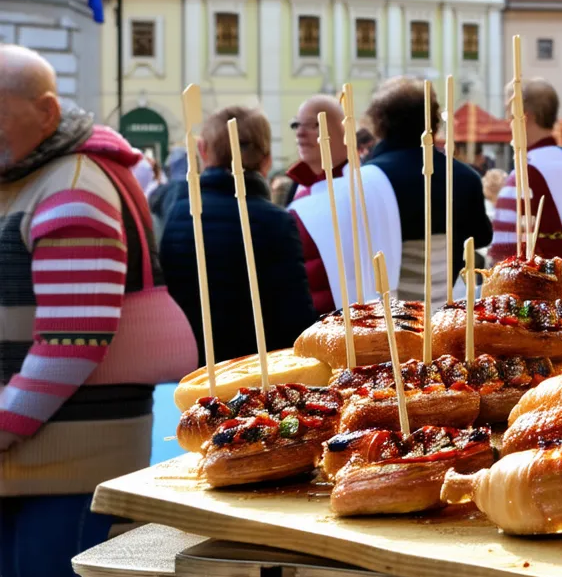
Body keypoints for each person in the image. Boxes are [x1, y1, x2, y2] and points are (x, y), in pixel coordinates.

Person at [0, 45, 195, 577]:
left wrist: (3, 426)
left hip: (66, 463)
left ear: (46, 112)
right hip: (34, 461)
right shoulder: (33, 175)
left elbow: (73, 341)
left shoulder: (71, 188)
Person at [160, 106, 316, 364]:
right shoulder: (277, 222)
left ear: (203, 151)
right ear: (266, 159)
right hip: (255, 369)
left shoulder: (178, 214)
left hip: (194, 366)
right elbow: (296, 317)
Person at [363, 77, 493, 304]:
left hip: (384, 311)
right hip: (447, 305)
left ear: (379, 121)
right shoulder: (464, 177)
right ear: (433, 121)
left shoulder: (367, 180)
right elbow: (482, 236)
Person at [284, 96, 403, 314]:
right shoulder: (299, 188)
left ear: (343, 133)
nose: (300, 133)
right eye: (296, 125)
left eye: (314, 125)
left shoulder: (367, 187)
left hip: (354, 318)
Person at [490, 78, 562, 265]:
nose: (508, 122)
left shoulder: (526, 172)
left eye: (509, 114)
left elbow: (504, 250)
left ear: (524, 117)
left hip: (540, 278)